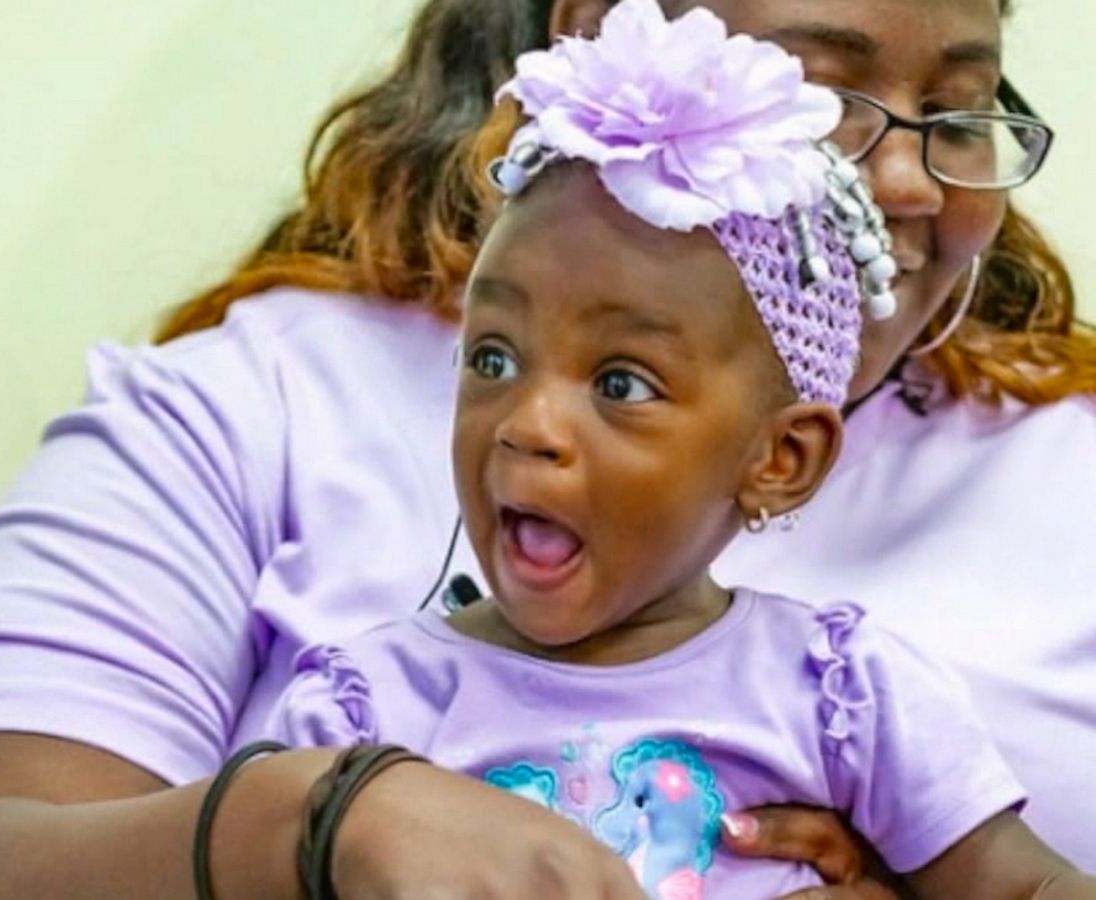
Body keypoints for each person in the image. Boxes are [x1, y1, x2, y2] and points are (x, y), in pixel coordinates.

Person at [0, 0, 1094, 897]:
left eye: (957, 110)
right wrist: (304, 828)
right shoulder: (254, 410)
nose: (917, 185)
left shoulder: (1060, 469)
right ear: (607, 55)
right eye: (827, 90)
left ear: (785, 458)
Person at [257, 4, 1093, 899]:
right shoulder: (363, 714)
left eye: (621, 383)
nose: (527, 424)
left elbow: (1025, 886)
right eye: (492, 358)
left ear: (782, 458)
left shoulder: (841, 696)